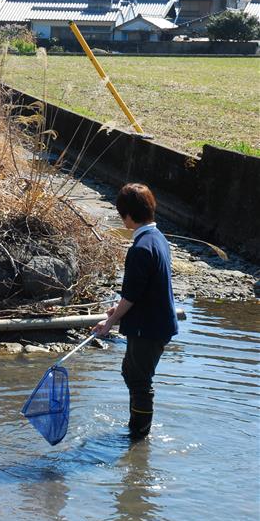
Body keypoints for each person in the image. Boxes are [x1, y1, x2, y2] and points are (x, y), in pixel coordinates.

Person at [93, 183, 178, 440]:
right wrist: (116, 310)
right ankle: (137, 428)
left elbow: (130, 295)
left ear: (128, 215)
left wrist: (110, 323)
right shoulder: (158, 238)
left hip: (149, 328)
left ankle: (138, 436)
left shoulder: (140, 249)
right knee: (131, 372)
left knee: (139, 380)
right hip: (156, 322)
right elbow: (142, 290)